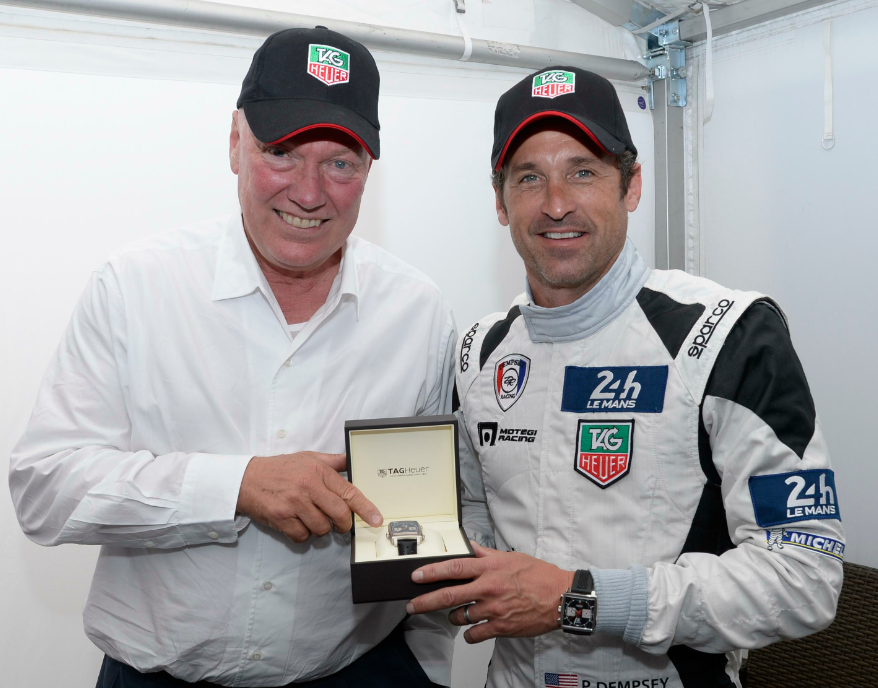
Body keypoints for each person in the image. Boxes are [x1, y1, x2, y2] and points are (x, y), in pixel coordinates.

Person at [9, 27, 456, 688]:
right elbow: (45, 488)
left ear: (368, 171)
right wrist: (237, 486)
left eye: (340, 162)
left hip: (358, 670)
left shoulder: (419, 312)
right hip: (157, 677)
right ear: (233, 144)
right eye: (281, 152)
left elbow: (424, 515)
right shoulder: (135, 285)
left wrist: (426, 668)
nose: (309, 192)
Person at [406, 66, 844, 688]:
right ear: (500, 202)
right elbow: (472, 516)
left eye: (583, 171)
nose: (556, 203)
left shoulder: (725, 334)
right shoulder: (480, 351)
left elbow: (804, 576)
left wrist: (578, 599)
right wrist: (403, 542)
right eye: (529, 177)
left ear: (631, 185)